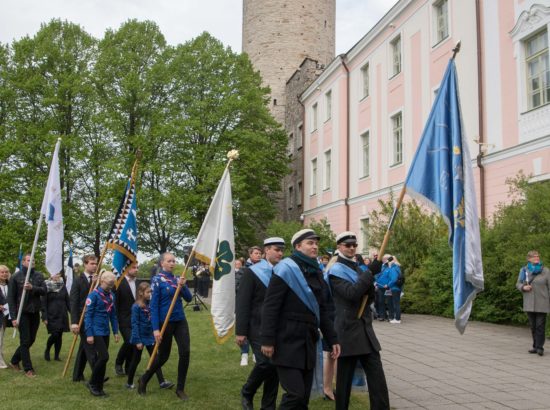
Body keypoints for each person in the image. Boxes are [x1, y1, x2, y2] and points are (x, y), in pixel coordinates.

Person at [261, 229, 340, 409]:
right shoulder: (285, 269)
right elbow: (270, 306)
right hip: (286, 340)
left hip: (308, 341)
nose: (315, 247)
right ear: (298, 246)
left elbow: (322, 309)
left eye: (316, 243)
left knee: (303, 397)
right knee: (295, 394)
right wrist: (267, 339)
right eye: (310, 243)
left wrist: (332, 338)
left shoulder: (316, 270)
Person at [327, 231, 389, 410]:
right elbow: (352, 294)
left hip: (365, 329)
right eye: (348, 245)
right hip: (347, 331)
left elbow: (368, 296)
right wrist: (369, 273)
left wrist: (370, 277)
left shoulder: (359, 267)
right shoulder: (335, 270)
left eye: (354, 245)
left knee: (377, 378)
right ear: (339, 246)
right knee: (344, 381)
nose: (352, 248)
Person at [237, 237, 285, 410]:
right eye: (276, 249)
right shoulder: (252, 272)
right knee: (266, 363)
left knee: (274, 367)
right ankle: (247, 391)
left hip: (276, 327)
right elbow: (243, 302)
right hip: (256, 326)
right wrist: (240, 331)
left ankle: (268, 406)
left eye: (282, 250)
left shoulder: (284, 271)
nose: (280, 253)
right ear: (266, 251)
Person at [138, 252, 192, 400]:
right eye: (169, 261)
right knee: (163, 356)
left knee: (185, 352)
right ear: (162, 263)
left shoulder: (176, 279)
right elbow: (153, 306)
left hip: (180, 320)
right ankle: (144, 379)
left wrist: (183, 286)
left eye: (174, 261)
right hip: (165, 322)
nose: (172, 263)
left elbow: (189, 298)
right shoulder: (157, 280)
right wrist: (155, 329)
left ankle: (180, 389)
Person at [126, 282, 172, 390]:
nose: (150, 293)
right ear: (141, 293)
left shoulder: (151, 304)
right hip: (139, 337)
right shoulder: (136, 307)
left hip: (150, 337)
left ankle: (162, 382)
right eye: (148, 292)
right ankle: (129, 382)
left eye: (151, 291)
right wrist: (137, 340)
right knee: (136, 360)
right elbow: (134, 324)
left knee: (155, 359)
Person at [8, 253, 46, 377]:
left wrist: (32, 288)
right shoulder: (16, 277)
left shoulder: (39, 276)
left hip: (34, 311)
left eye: (33, 260)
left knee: (31, 339)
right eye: (29, 260)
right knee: (25, 340)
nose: (32, 262)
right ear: (23, 262)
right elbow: (11, 299)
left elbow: (44, 291)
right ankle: (28, 368)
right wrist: (13, 317)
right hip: (21, 313)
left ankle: (14, 360)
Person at [84, 271, 120, 396]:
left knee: (102, 359)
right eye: (109, 283)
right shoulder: (93, 295)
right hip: (95, 330)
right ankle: (93, 383)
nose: (111, 286)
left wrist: (115, 331)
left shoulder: (111, 296)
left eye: (112, 284)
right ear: (102, 281)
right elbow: (88, 316)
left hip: (105, 330)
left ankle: (99, 386)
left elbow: (113, 315)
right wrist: (89, 334)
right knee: (104, 357)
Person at [516, 250, 550, 356]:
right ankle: (535, 346)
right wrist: (523, 287)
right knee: (533, 325)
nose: (537, 258)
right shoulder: (524, 270)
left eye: (538, 256)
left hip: (542, 302)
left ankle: (540, 347)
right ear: (529, 259)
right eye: (534, 257)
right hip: (529, 302)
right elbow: (518, 283)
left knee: (540, 325)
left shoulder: (546, 271)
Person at [70, 254, 98, 382]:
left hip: (95, 317)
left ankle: (77, 375)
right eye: (92, 263)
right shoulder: (78, 280)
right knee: (90, 347)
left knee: (83, 349)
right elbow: (74, 302)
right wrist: (74, 322)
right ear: (85, 264)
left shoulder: (98, 280)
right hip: (82, 317)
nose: (94, 266)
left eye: (95, 263)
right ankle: (98, 375)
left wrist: (96, 284)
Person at [115, 262, 139, 376]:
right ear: (126, 269)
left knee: (134, 343)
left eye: (137, 267)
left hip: (137, 319)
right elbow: (116, 303)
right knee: (129, 341)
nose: (136, 269)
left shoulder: (138, 283)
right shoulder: (119, 283)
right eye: (133, 267)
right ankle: (119, 362)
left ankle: (129, 368)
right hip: (124, 319)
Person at [239, 247, 261, 366]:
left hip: (258, 306)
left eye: (260, 253)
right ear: (250, 255)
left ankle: (256, 354)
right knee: (244, 330)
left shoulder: (264, 268)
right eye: (256, 253)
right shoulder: (243, 270)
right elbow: (238, 286)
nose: (258, 255)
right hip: (246, 304)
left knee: (257, 331)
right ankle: (244, 354)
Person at [41, 272, 70, 361]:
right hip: (51, 315)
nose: (56, 276)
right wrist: (44, 317)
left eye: (58, 274)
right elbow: (43, 302)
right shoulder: (46, 285)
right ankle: (47, 350)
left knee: (59, 335)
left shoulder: (63, 286)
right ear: (51, 275)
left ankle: (57, 356)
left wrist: (73, 312)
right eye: (54, 274)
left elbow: (67, 300)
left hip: (62, 314)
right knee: (55, 334)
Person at [385, 256, 402, 324]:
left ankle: (397, 319)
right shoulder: (396, 267)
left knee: (395, 304)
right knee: (396, 303)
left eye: (388, 261)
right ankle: (396, 318)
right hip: (396, 288)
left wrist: (388, 285)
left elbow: (394, 279)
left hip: (394, 288)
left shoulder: (393, 268)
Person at [0, 265, 10, 368]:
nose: (4, 274)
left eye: (6, 272)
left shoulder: (9, 285)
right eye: (2, 272)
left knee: (1, 339)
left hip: (5, 317)